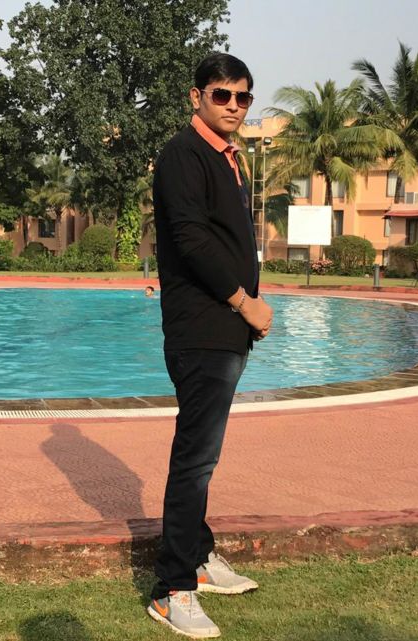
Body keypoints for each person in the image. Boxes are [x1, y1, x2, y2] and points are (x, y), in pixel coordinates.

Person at [147, 52, 273, 638]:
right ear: (195, 96)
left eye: (243, 97)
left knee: (204, 455)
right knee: (195, 458)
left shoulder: (227, 157)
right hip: (202, 327)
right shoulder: (184, 154)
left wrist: (244, 312)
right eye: (222, 95)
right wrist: (245, 302)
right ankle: (172, 590)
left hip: (224, 327)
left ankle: (197, 557)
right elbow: (191, 241)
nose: (234, 106)